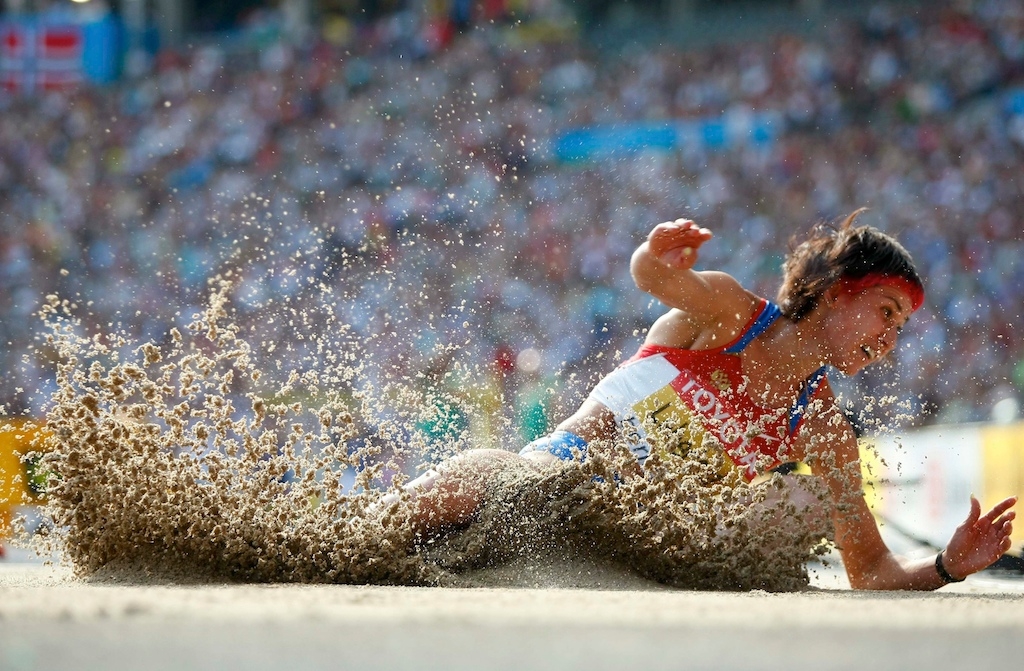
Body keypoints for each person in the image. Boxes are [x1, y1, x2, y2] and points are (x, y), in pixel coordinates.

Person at [386, 209, 1016, 590]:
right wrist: (654, 251)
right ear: (834, 293)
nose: (889, 338)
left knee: (800, 498)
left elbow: (870, 568)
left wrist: (947, 566)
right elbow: (654, 278)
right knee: (492, 479)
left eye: (900, 328)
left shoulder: (823, 427)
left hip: (637, 539)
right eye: (885, 312)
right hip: (555, 477)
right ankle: (364, 527)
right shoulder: (731, 312)